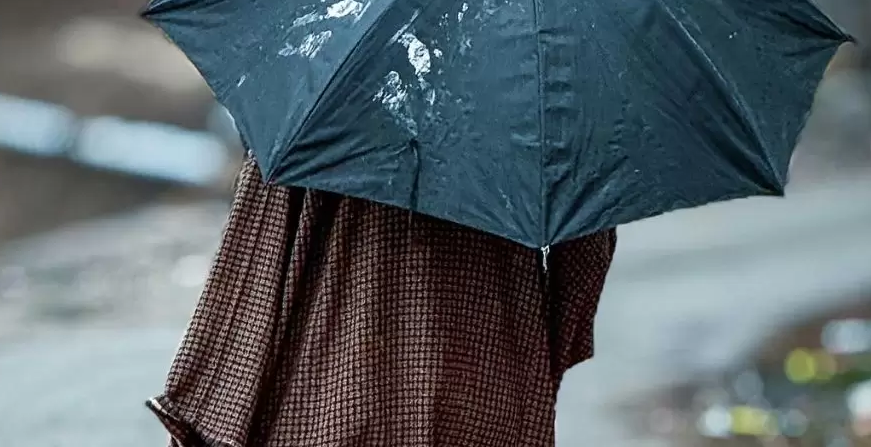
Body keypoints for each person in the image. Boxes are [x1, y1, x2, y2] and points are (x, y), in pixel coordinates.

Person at [147, 154, 617, 446]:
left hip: (326, 387)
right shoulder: (534, 80)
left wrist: (223, 395)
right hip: (483, 376)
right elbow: (586, 243)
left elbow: (254, 256)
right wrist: (536, 362)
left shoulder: (322, 70)